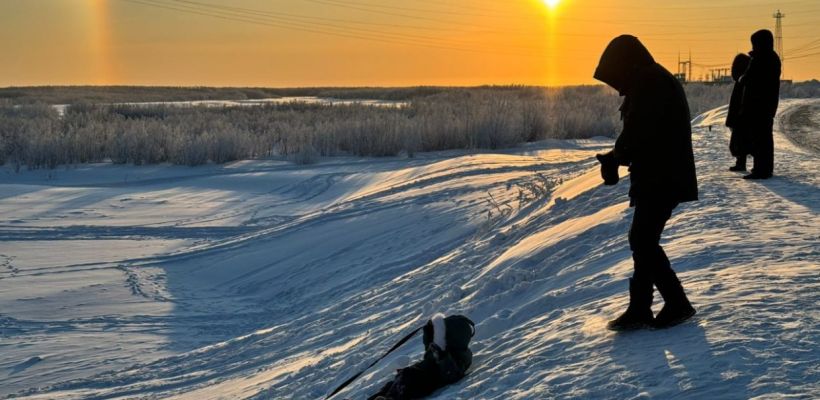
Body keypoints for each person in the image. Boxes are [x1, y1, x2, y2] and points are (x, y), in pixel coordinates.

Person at [593, 35, 698, 331]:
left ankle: (677, 302)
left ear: (626, 66)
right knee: (642, 239)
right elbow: (640, 135)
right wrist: (616, 156)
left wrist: (616, 157)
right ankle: (640, 307)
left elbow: (640, 133)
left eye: (615, 77)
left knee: (642, 240)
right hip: (659, 175)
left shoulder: (650, 83)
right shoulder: (650, 80)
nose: (616, 87)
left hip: (663, 176)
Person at [368, 314, 474, 400]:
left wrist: (442, 356)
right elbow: (428, 344)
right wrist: (430, 329)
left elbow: (452, 374)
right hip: (415, 373)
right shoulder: (440, 346)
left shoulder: (461, 356)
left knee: (404, 386)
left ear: (455, 337)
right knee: (390, 385)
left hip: (426, 381)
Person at [739, 29, 782, 180]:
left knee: (760, 138)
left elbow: (750, 78)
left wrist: (743, 78)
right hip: (766, 105)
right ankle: (764, 168)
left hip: (758, 106)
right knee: (764, 138)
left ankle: (761, 170)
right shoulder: (771, 58)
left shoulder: (762, 59)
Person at [726, 53, 752, 172]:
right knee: (741, 140)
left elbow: (736, 102)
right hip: (741, 115)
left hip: (740, 116)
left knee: (740, 140)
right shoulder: (743, 81)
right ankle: (741, 162)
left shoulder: (742, 83)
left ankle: (741, 163)